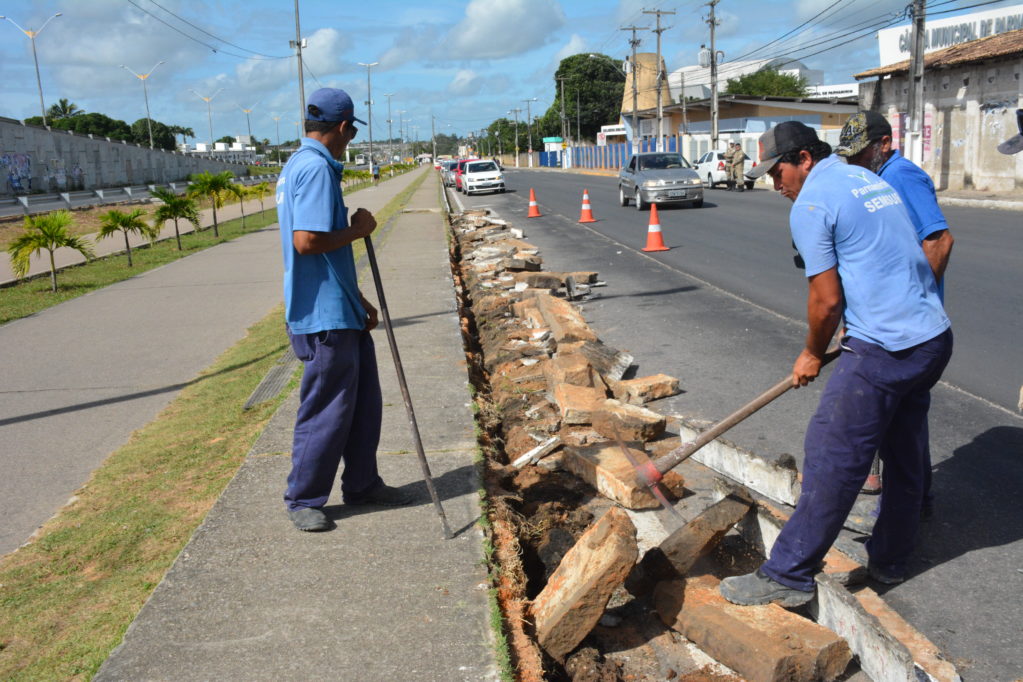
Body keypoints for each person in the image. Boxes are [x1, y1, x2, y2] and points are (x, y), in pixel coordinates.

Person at [719, 121, 952, 606]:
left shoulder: (812, 203)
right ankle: (891, 559)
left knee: (832, 457)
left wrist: (809, 353)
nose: (774, 183)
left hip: (885, 349)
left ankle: (788, 573)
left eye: (777, 171)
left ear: (804, 158)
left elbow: (825, 302)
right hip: (931, 336)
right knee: (904, 454)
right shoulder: (866, 178)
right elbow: (881, 258)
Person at [276, 87, 412, 532]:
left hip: (340, 308)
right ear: (341, 127)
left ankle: (362, 483)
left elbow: (322, 254)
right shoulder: (315, 169)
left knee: (362, 405)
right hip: (323, 317)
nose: (351, 136)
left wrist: (358, 299)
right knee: (328, 409)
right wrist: (359, 230)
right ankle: (304, 498)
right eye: (352, 129)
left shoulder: (301, 163)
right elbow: (307, 241)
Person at [835, 111, 955, 503]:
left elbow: (938, 241)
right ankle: (914, 497)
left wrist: (910, 300)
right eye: (848, 156)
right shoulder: (876, 177)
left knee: (896, 414)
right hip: (893, 322)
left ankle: (910, 501)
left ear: (884, 143)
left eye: (861, 152)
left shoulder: (901, 176)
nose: (854, 162)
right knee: (903, 417)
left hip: (906, 325)